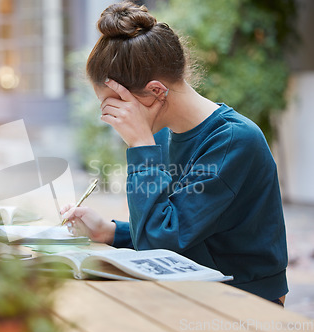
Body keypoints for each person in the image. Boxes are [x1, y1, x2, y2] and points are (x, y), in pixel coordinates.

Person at [61, 1, 288, 305]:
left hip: (242, 303)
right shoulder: (166, 134)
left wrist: (141, 147)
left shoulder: (233, 141)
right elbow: (180, 228)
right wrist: (110, 232)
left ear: (156, 91)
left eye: (116, 109)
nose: (114, 122)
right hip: (190, 291)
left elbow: (162, 240)